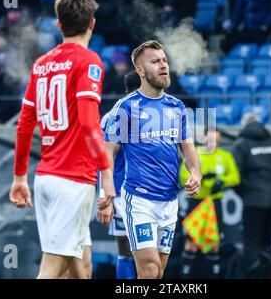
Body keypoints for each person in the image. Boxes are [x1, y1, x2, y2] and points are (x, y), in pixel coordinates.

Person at [8, 0, 116, 279]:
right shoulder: (89, 61)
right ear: (92, 23)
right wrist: (106, 175)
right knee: (52, 270)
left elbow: (24, 124)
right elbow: (88, 123)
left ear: (58, 25)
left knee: (82, 267)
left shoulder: (42, 64)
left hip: (45, 179)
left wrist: (20, 177)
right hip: (73, 181)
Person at [103, 40, 201, 279]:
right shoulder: (126, 107)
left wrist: (195, 173)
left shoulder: (177, 107)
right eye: (155, 61)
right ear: (140, 70)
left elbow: (188, 147)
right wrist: (105, 189)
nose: (163, 65)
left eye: (164, 60)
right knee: (147, 268)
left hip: (169, 200)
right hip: (139, 200)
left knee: (157, 271)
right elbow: (108, 151)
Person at [232, 113, 271, 278]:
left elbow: (235, 176)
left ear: (244, 125)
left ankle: (255, 275)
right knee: (267, 240)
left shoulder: (241, 144)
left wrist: (247, 192)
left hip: (253, 200)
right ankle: (269, 274)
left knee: (251, 242)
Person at [179, 128, 240, 279]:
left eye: (217, 141)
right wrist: (198, 178)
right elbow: (182, 175)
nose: (214, 143)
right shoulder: (194, 154)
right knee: (191, 240)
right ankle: (186, 276)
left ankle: (214, 274)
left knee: (214, 241)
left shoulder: (224, 156)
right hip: (196, 201)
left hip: (214, 202)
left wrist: (222, 181)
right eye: (211, 140)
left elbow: (235, 176)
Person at [101, 71, 141, 279]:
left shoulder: (110, 114)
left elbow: (100, 153)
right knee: (149, 250)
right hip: (145, 190)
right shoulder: (150, 112)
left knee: (124, 249)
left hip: (117, 190)